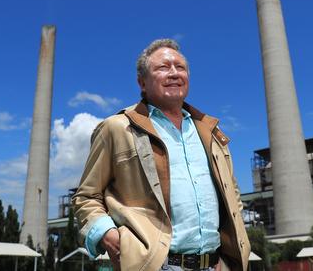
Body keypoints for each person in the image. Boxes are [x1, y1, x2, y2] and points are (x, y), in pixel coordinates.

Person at [72, 39, 250, 270]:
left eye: (180, 67)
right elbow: (87, 196)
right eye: (163, 68)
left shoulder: (211, 133)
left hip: (216, 264)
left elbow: (232, 195)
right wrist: (108, 235)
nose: (174, 73)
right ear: (142, 82)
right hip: (156, 264)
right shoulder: (117, 128)